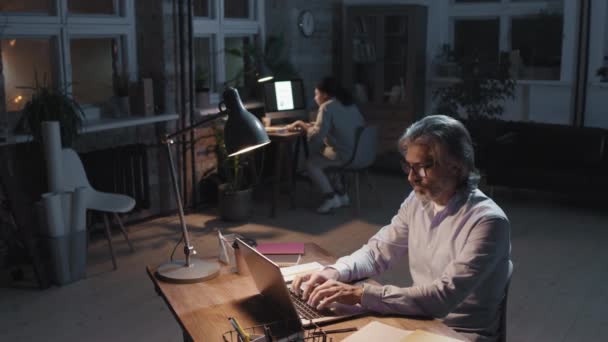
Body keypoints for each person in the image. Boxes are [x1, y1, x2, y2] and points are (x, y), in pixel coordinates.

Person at [291, 115, 512, 342]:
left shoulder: (488, 222)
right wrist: (335, 271)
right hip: (421, 319)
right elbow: (377, 252)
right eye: (408, 166)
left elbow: (443, 297)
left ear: (456, 167)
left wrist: (360, 294)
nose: (411, 177)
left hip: (459, 334)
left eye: (422, 167)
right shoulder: (418, 201)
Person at [287, 77, 365, 214]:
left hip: (345, 155)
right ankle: (342, 195)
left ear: (325, 95)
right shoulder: (349, 104)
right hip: (361, 153)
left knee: (312, 164)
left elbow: (316, 137)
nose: (315, 97)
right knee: (326, 155)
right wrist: (313, 126)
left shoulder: (327, 107)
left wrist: (304, 126)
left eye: (316, 94)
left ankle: (330, 197)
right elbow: (337, 127)